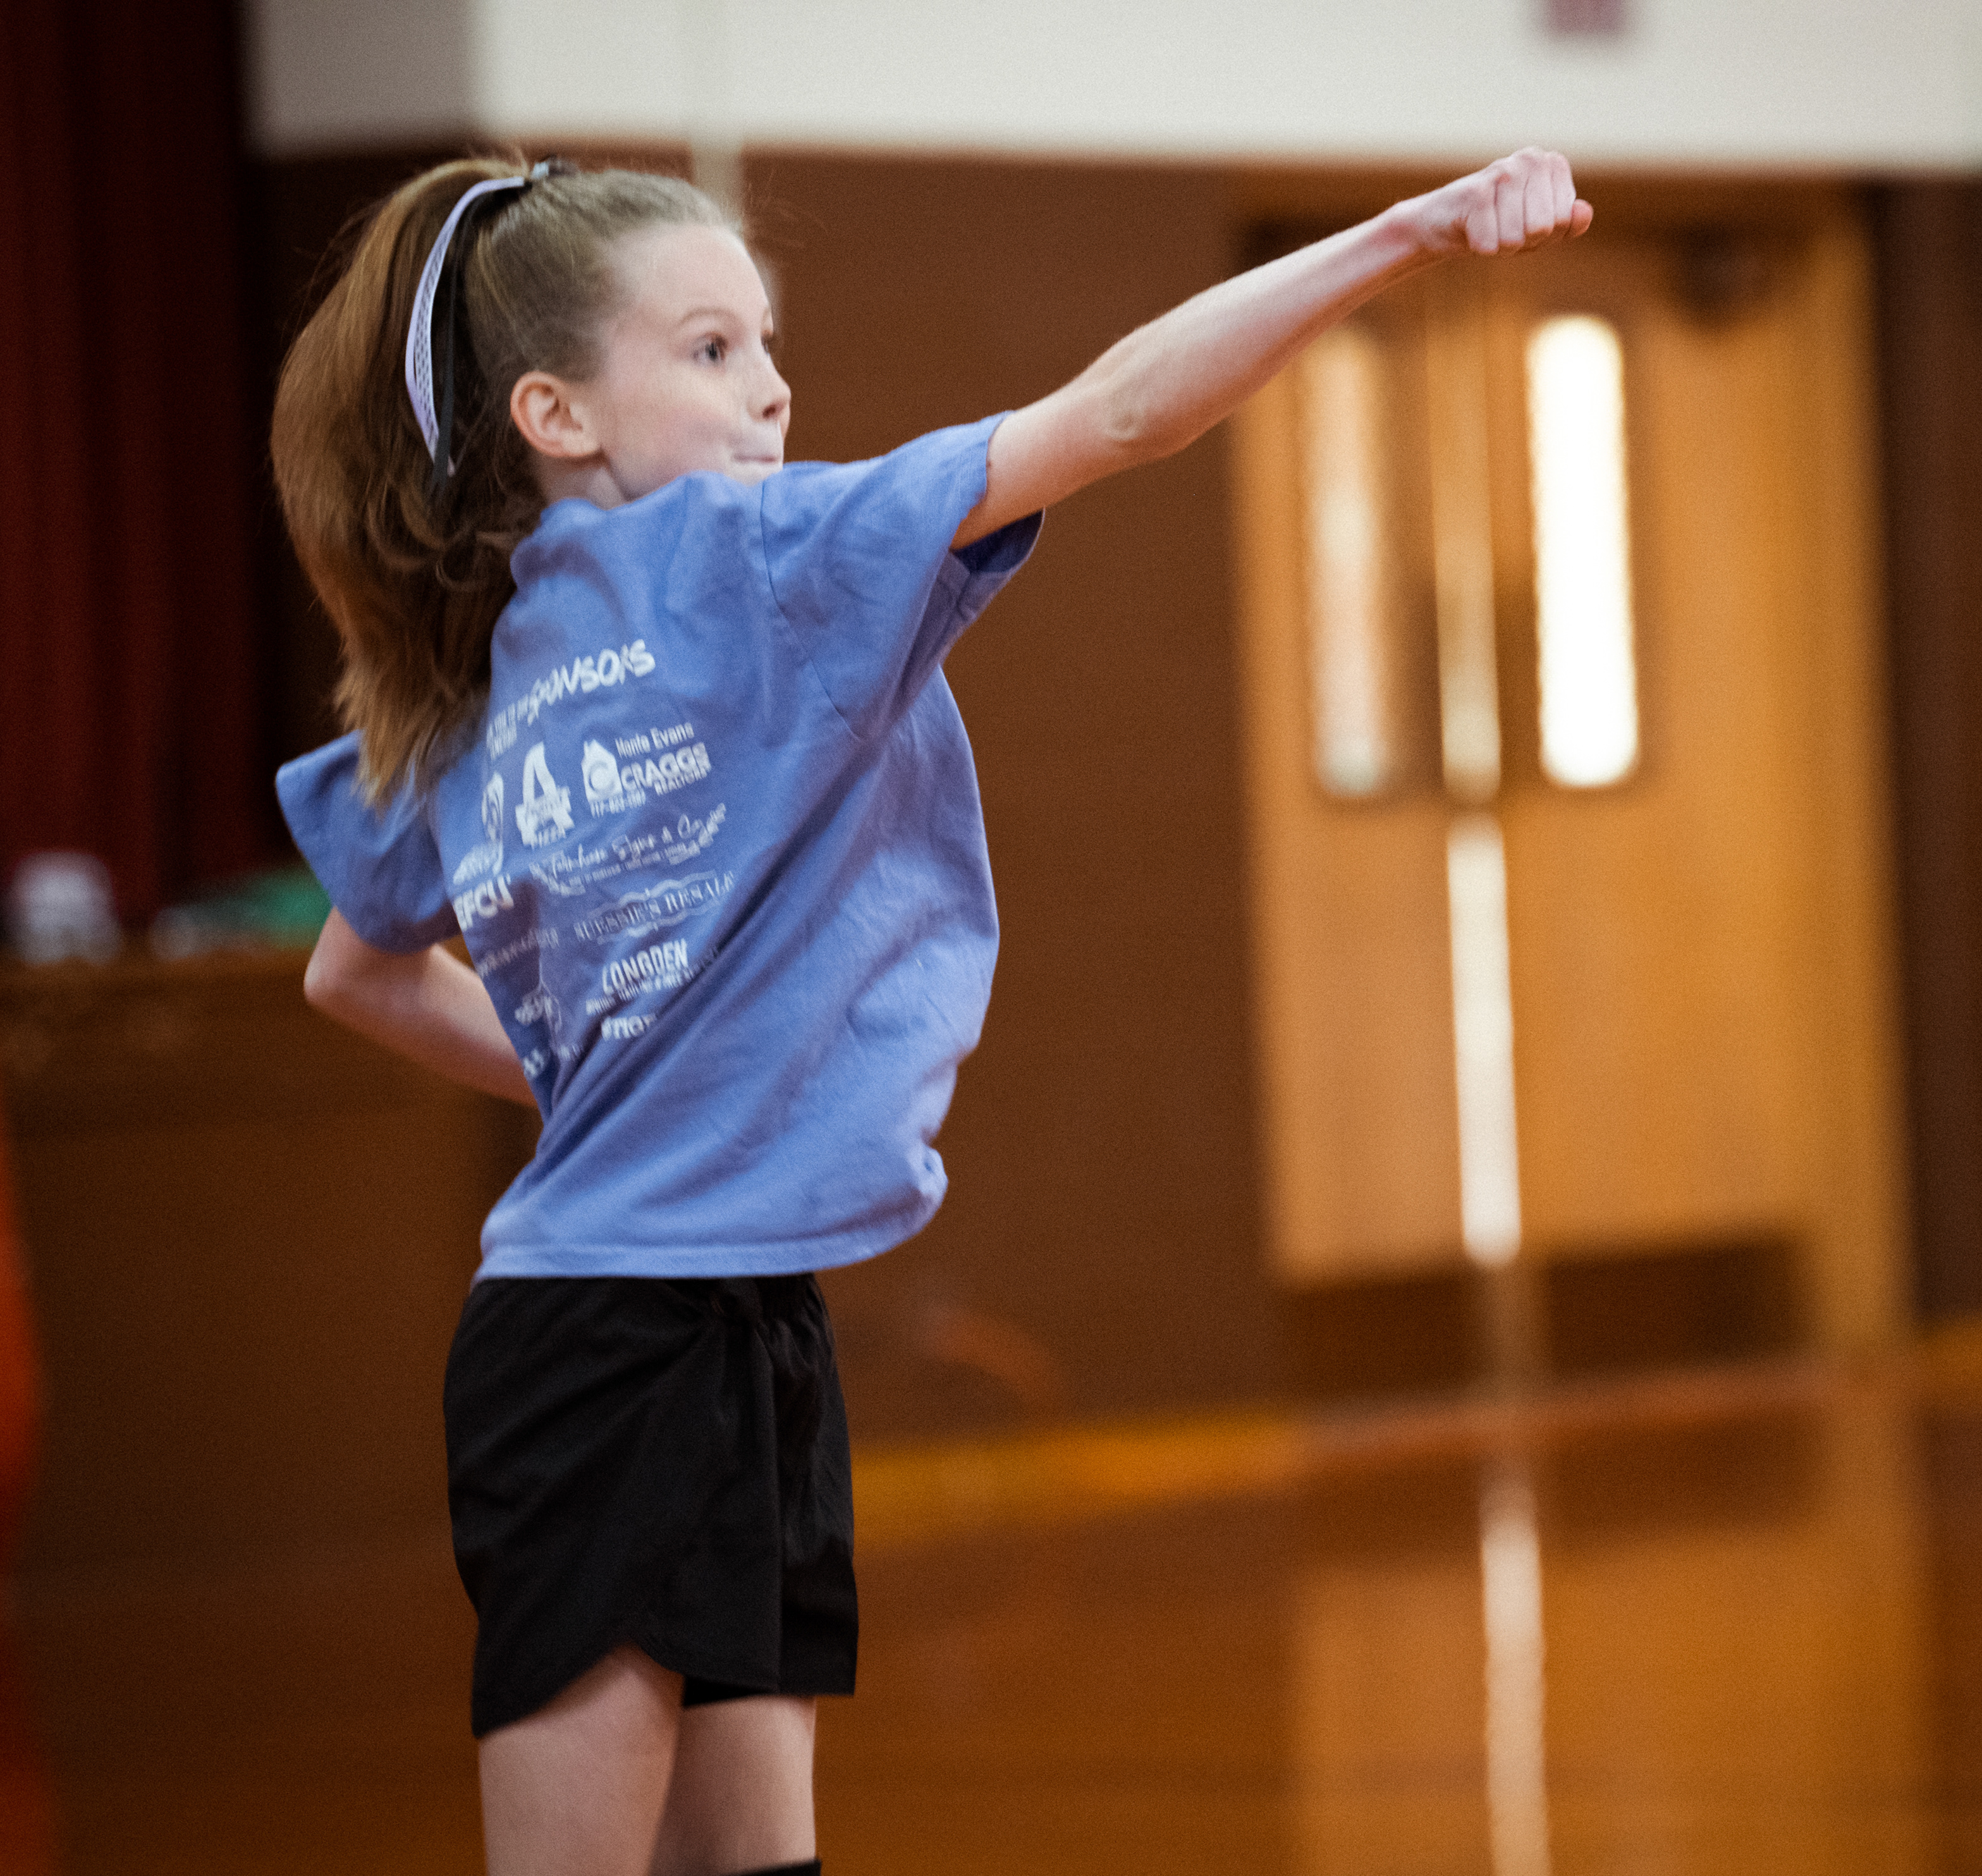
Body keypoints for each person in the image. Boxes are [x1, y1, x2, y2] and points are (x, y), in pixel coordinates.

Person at [272, 145, 1590, 1876]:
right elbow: (1122, 410)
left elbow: (352, 971)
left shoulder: (475, 671)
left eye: (768, 343)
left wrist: (598, 1089)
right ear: (554, 414)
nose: (772, 386)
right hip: (601, 1350)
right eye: (712, 349)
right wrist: (1406, 232)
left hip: (743, 1321)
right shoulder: (756, 560)